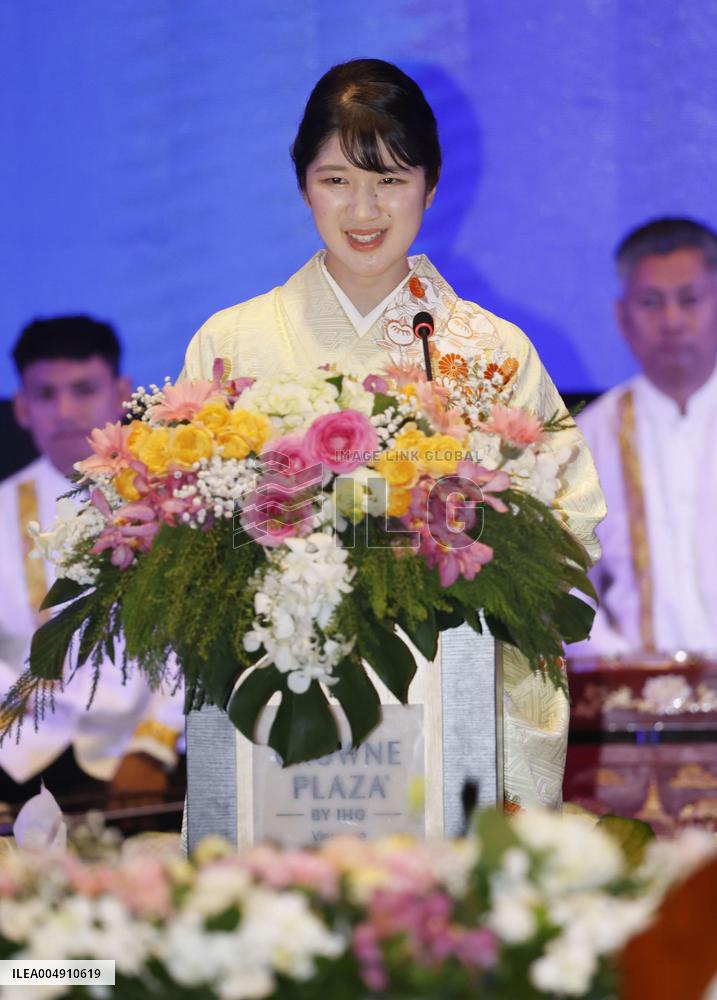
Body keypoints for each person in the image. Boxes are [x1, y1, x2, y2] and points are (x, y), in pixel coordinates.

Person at [182, 59, 605, 810]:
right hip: (284, 688)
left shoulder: (492, 351)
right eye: (336, 179)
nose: (363, 208)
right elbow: (186, 533)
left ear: (431, 185)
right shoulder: (233, 341)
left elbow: (568, 522)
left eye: (391, 178)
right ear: (301, 184)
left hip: (451, 686)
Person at [0, 316, 185, 809]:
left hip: (164, 755)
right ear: (21, 407)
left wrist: (154, 742)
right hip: (23, 755)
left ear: (122, 393)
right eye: (45, 394)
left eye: (83, 389)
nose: (64, 411)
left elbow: (197, 633)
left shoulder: (180, 496)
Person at [573, 218, 717, 658]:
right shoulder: (588, 436)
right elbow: (567, 584)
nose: (671, 321)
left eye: (690, 300)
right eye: (651, 302)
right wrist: (622, 663)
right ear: (622, 315)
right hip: (633, 700)